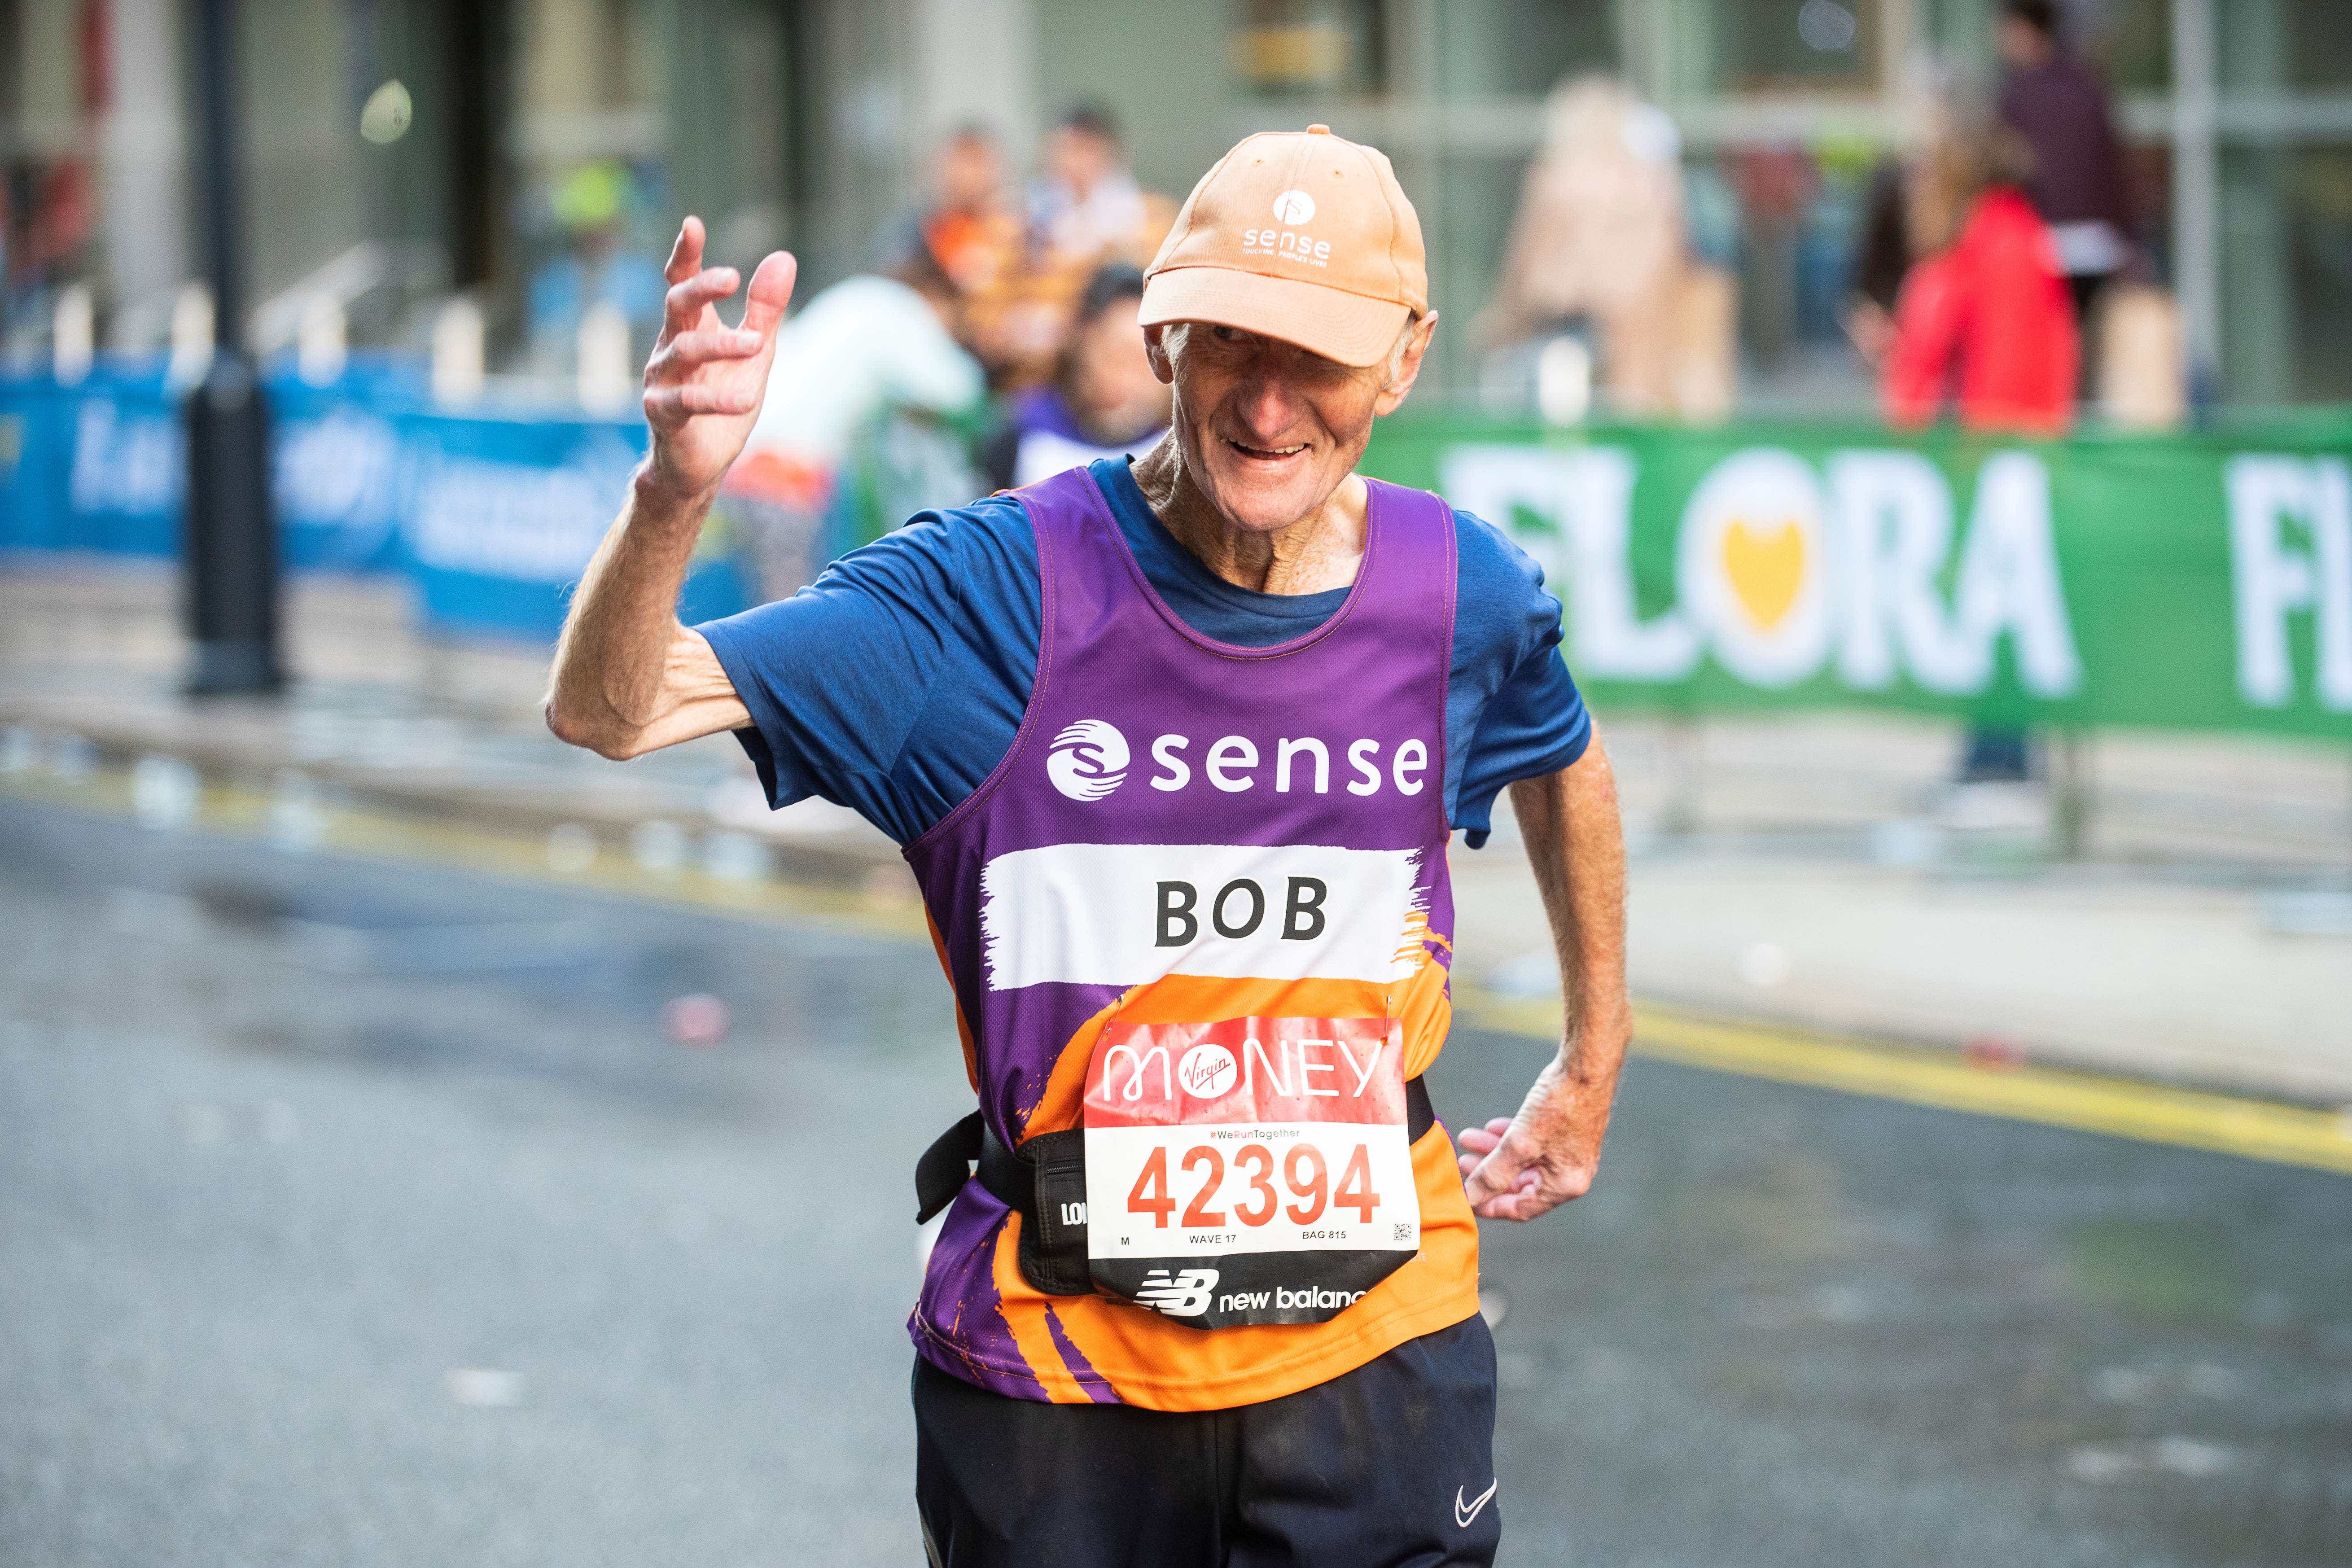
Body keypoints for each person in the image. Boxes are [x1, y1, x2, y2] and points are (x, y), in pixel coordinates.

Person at [545, 125, 1630, 1566]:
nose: (1268, 403)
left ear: (1403, 361)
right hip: (1062, 1382)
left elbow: (1561, 752)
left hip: (1381, 1354)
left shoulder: (1459, 592)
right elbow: (611, 709)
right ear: (1160, 333)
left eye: (1318, 358)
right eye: (1232, 342)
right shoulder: (989, 593)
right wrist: (672, 495)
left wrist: (1592, 1060)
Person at [1881, 117, 2076, 793]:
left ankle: (1999, 757)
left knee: (1998, 608)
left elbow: (2001, 364)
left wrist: (1971, 452)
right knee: (1998, 609)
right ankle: (1996, 751)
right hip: (2012, 449)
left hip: (2000, 454)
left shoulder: (1995, 243)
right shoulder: (2010, 236)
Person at [1996, 0, 2133, 359]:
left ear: (2023, 30)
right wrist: (2127, 236)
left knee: (2046, 351)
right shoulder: (2088, 86)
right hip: (2095, 245)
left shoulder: (2017, 94)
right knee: (2083, 350)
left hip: (2042, 245)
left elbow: (2006, 175)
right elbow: (2111, 167)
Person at [980, 263, 1169, 492]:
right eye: (1117, 357)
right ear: (1081, 340)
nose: (1128, 381)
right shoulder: (1025, 429)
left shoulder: (1173, 448)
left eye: (1143, 365)